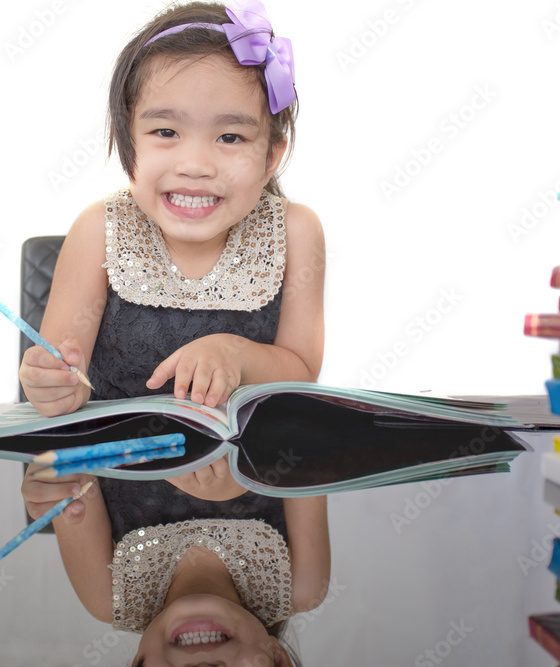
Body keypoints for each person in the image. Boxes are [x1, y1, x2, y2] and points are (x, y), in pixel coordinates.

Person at [19, 1, 329, 663]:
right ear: (128, 141)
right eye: (165, 132)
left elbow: (300, 368)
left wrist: (237, 355)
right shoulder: (97, 232)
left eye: (230, 137)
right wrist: (50, 379)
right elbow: (57, 382)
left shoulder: (296, 231)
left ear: (274, 152)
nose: (194, 163)